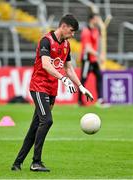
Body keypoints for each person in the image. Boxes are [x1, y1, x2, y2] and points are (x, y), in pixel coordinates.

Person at [11, 14, 93, 172]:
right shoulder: (46, 41)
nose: (73, 34)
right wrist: (63, 79)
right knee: (47, 121)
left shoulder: (66, 45)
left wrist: (81, 87)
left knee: (36, 126)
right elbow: (46, 65)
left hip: (51, 89)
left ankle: (17, 163)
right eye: (71, 30)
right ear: (63, 27)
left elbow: (69, 68)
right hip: (39, 87)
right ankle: (36, 162)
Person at [78, 13, 106, 106]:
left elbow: (96, 45)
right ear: (91, 20)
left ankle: (100, 99)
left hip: (93, 60)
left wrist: (99, 56)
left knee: (99, 76)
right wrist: (99, 55)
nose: (98, 21)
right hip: (87, 59)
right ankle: (80, 101)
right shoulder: (86, 31)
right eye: (96, 19)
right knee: (83, 79)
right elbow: (88, 48)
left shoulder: (96, 30)